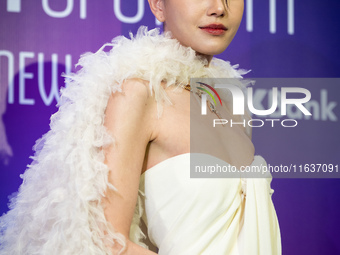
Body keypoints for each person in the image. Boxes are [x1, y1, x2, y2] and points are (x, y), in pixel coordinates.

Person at [0, 0, 281, 254]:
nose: (219, 7)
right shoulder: (139, 93)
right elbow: (107, 241)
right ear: (158, 5)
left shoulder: (233, 102)